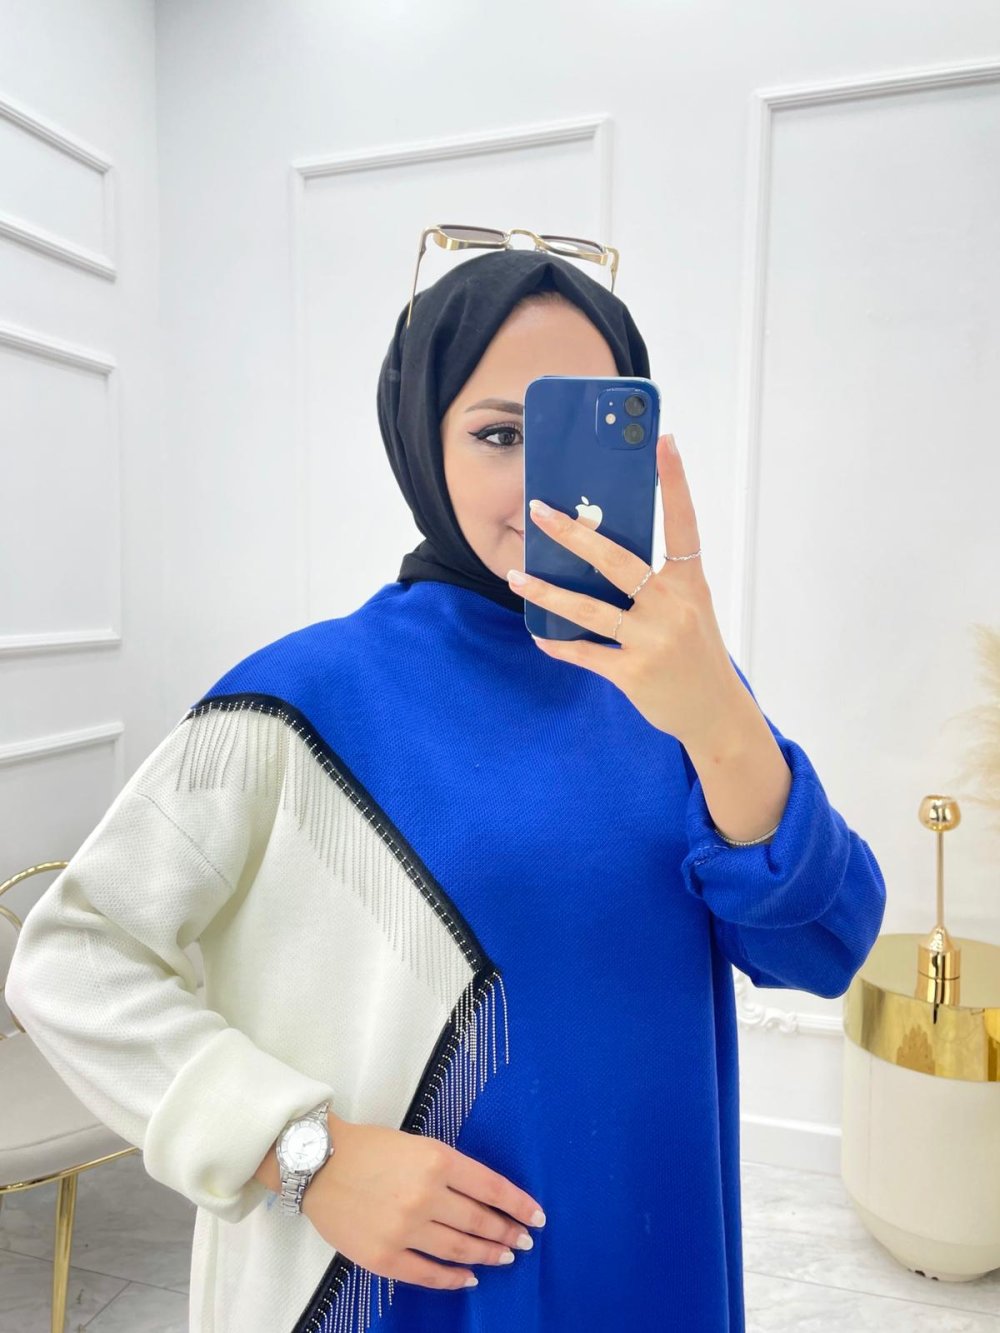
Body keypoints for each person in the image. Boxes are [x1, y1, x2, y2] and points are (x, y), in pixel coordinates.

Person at [6, 247, 888, 1333]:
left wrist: (722, 722)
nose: (545, 486)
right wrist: (301, 1150)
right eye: (500, 434)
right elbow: (72, 958)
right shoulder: (302, 697)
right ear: (422, 441)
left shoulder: (679, 683)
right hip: (399, 1293)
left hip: (646, 1256)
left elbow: (823, 949)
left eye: (585, 432)